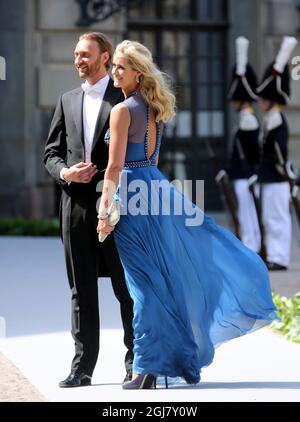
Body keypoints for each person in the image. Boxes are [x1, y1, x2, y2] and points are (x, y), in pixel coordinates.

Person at [97, 40, 278, 389]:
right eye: (114, 66)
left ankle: (146, 367)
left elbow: (114, 166)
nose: (115, 72)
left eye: (121, 66)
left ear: (138, 72)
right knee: (161, 279)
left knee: (143, 284)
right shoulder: (153, 107)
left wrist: (105, 210)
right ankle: (160, 362)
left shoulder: (122, 111)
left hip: (132, 194)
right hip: (155, 189)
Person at [44, 32, 134, 388]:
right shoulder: (66, 100)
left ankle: (135, 362)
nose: (78, 59)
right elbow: (50, 153)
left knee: (126, 288)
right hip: (75, 208)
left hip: (118, 208)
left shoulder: (125, 100)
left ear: (105, 57)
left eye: (85, 54)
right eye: (76, 54)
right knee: (80, 290)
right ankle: (82, 368)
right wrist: (66, 172)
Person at [256, 36, 298, 271]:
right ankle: (273, 254)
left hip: (277, 177)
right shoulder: (271, 119)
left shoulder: (277, 120)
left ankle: (280, 257)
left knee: (277, 219)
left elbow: (280, 153)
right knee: (270, 219)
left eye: (263, 98)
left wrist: (284, 173)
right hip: (269, 176)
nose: (260, 101)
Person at [227, 36, 261, 253]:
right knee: (245, 215)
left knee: (248, 216)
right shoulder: (244, 118)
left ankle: (252, 248)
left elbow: (252, 152)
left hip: (245, 175)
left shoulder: (248, 119)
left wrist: (250, 172)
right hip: (241, 174)